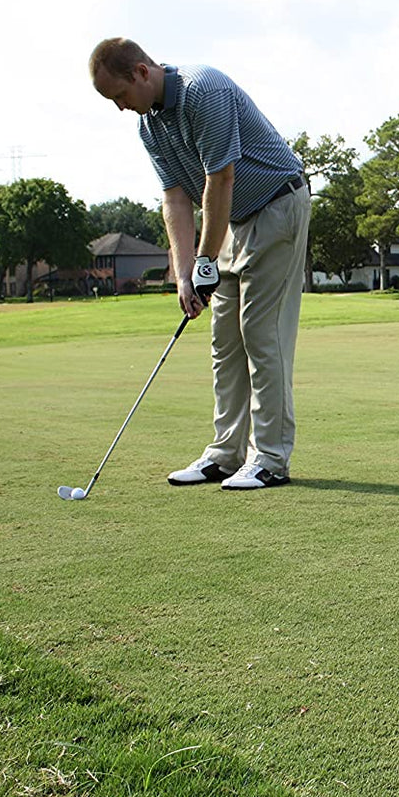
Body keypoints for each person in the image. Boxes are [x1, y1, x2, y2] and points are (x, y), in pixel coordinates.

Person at [89, 38, 310, 490]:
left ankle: (269, 458)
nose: (120, 108)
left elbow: (220, 178)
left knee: (260, 333)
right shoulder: (150, 127)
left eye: (119, 96)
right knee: (224, 339)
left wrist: (206, 260)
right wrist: (185, 273)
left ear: (141, 73)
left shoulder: (202, 90)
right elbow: (175, 199)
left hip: (276, 205)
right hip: (232, 219)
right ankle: (226, 454)